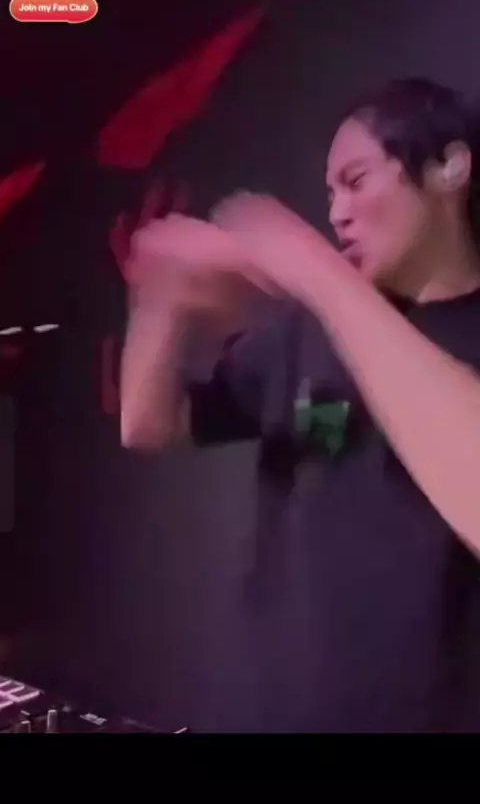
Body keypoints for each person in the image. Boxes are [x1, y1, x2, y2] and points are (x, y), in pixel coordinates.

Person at [121, 77, 480, 733]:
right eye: (329, 193)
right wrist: (161, 302)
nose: (337, 212)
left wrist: (308, 264)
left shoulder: (332, 299)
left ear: (450, 167)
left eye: (356, 180)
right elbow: (147, 425)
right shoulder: (307, 332)